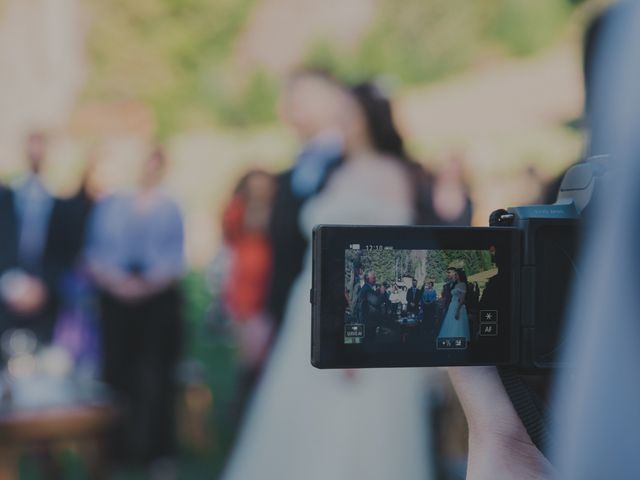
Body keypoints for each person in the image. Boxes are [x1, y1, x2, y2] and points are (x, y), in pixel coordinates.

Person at [222, 81, 429, 480]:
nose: (341, 124)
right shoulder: (334, 172)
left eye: (348, 115)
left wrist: (358, 332)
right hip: (309, 308)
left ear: (368, 119)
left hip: (361, 309)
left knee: (353, 421)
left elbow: (395, 257)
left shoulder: (390, 173)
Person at [86, 147, 184, 473]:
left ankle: (157, 449)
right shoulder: (111, 205)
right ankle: (116, 448)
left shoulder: (170, 207)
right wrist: (119, 284)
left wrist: (146, 286)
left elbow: (176, 258)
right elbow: (94, 252)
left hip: (156, 301)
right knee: (116, 374)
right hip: (116, 299)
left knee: (156, 373)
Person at [266, 69, 345, 332]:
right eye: (291, 96)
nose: (293, 103)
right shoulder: (291, 171)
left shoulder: (352, 166)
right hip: (290, 309)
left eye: (305, 95)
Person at [0, 133, 69, 344]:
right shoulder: (7, 197)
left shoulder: (61, 200)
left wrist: (43, 286)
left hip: (45, 296)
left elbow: (65, 250)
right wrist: (9, 283)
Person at [437, 269, 470, 346]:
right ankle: (449, 343)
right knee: (450, 324)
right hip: (452, 306)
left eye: (457, 274)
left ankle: (457, 343)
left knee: (457, 325)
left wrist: (458, 310)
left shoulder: (463, 284)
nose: (455, 276)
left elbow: (462, 299)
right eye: (455, 274)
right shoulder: (456, 284)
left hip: (457, 307)